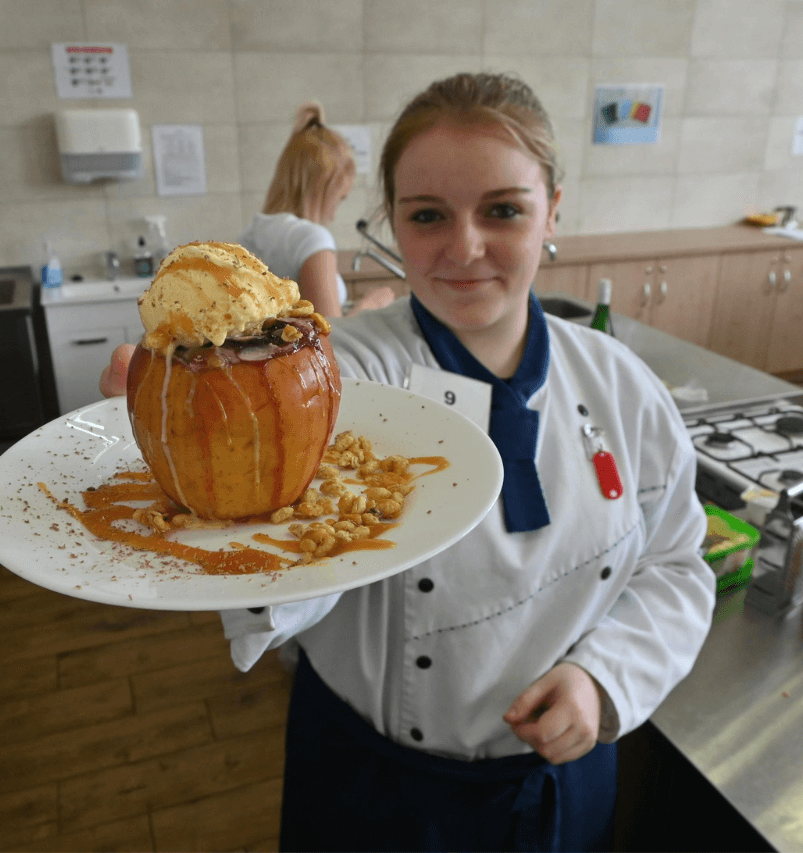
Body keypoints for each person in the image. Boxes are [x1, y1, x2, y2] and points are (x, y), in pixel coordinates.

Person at [100, 72, 715, 852]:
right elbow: (287, 554)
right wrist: (195, 448)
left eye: (503, 210)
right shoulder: (334, 381)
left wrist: (606, 678)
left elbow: (676, 563)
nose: (464, 248)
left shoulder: (621, 385)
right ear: (390, 220)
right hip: (373, 786)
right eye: (428, 216)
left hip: (562, 774)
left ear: (552, 210)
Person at [237, 101, 395, 318]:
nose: (334, 213)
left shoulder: (250, 234)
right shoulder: (311, 239)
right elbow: (330, 336)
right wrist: (372, 303)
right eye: (339, 199)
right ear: (322, 191)